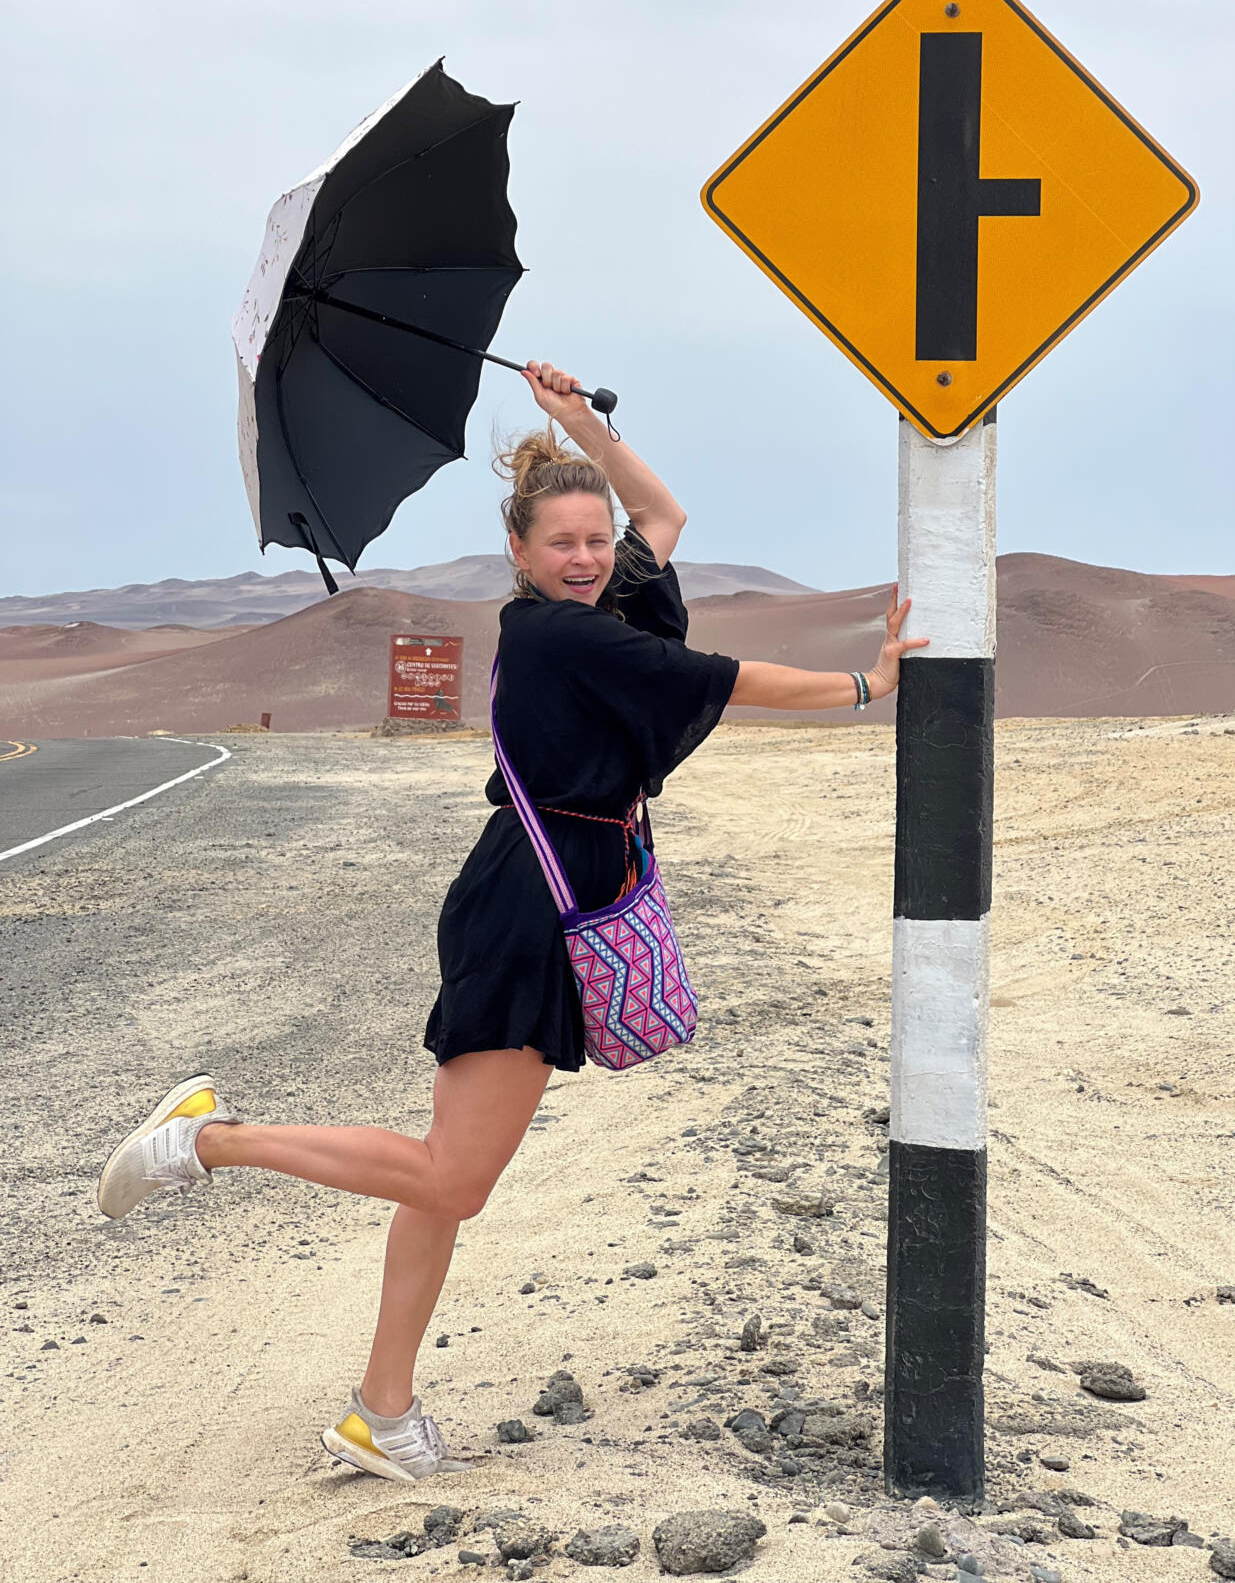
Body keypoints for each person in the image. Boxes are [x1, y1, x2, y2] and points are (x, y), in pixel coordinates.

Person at [95, 361, 928, 1483]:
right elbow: (720, 678)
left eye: (595, 540)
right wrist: (868, 685)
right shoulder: (556, 636)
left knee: (437, 1175)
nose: (586, 557)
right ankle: (206, 1139)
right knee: (453, 1177)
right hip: (531, 906)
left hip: (542, 884)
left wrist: (579, 425)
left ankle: (382, 1411)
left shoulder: (603, 602)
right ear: (519, 553)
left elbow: (665, 514)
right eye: (562, 544)